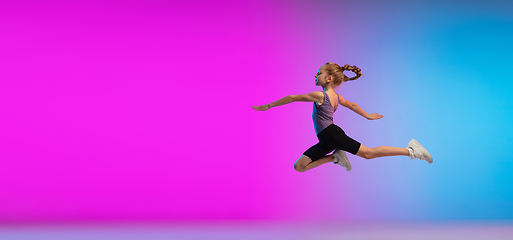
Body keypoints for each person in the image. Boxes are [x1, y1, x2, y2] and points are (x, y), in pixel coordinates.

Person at [252, 62, 433, 173]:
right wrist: (367, 116)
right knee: (299, 167)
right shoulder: (336, 97)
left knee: (368, 154)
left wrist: (268, 105)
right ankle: (336, 157)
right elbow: (352, 105)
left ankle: (412, 150)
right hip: (327, 139)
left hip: (332, 134)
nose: (316, 75)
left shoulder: (320, 96)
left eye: (319, 73)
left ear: (329, 78)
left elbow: (292, 98)